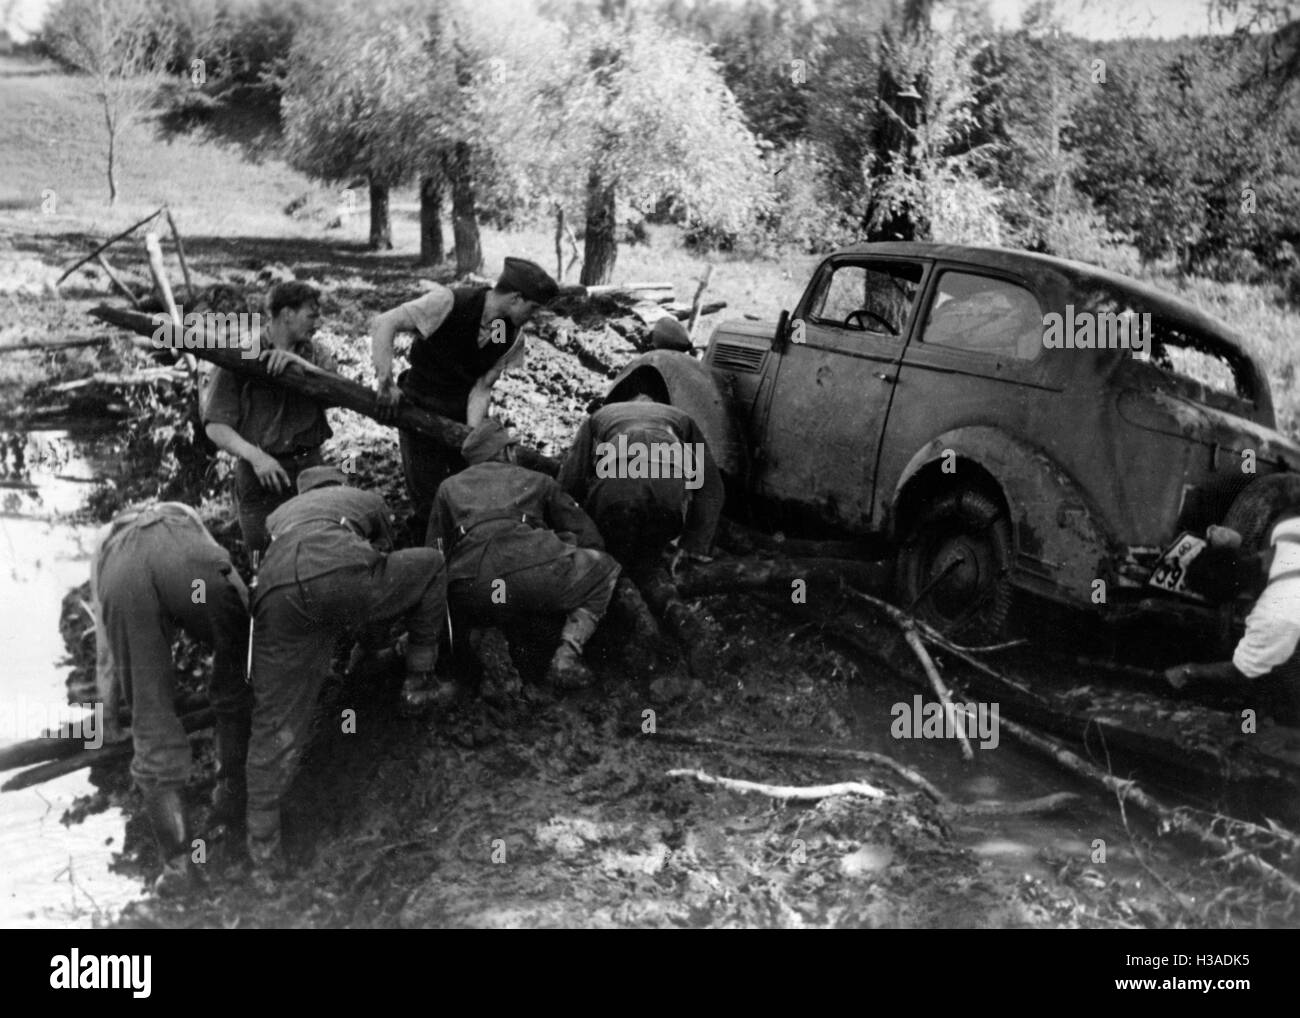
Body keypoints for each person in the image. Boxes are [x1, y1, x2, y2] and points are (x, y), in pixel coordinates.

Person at [245, 466, 447, 872]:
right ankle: (418, 681)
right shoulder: (365, 500)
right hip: (338, 573)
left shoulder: (275, 518)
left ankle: (263, 852)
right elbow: (379, 575)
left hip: (276, 594)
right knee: (429, 565)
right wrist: (374, 647)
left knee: (274, 725)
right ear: (339, 486)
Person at [91, 502, 251, 895]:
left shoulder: (104, 545)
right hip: (188, 570)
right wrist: (249, 659)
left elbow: (106, 652)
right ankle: (231, 801)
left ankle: (181, 868)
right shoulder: (183, 517)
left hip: (125, 580)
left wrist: (104, 717)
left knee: (151, 720)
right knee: (236, 685)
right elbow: (236, 593)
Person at [370, 258, 559, 537]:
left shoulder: (507, 333)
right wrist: (385, 382)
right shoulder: (448, 302)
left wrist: (472, 436)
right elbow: (384, 323)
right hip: (418, 407)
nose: (532, 317)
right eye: (532, 308)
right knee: (428, 497)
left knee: (463, 490)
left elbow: (481, 387)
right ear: (516, 298)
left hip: (457, 413)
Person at [428, 420, 620, 690]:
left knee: (481, 603)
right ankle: (567, 655)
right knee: (606, 568)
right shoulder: (538, 480)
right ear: (506, 453)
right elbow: (590, 536)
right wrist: (570, 551)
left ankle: (482, 650)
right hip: (536, 574)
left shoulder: (447, 487)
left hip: (473, 587)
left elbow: (433, 553)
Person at [202, 281, 337, 554]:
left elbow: (335, 394)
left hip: (311, 468)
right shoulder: (241, 353)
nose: (318, 323)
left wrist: (300, 367)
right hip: (261, 474)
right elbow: (215, 425)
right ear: (287, 314)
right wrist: (257, 458)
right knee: (264, 558)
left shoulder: (316, 353)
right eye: (311, 315)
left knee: (316, 554)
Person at [557, 393, 723, 582]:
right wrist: (693, 544)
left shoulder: (601, 415)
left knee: (610, 558)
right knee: (647, 562)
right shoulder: (682, 418)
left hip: (616, 493)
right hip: (667, 498)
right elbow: (710, 486)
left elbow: (572, 477)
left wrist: (569, 533)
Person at [1165, 516, 1300, 725]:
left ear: (1236, 595)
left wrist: (1190, 671)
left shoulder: (1278, 609)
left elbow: (1243, 670)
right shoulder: (1285, 529)